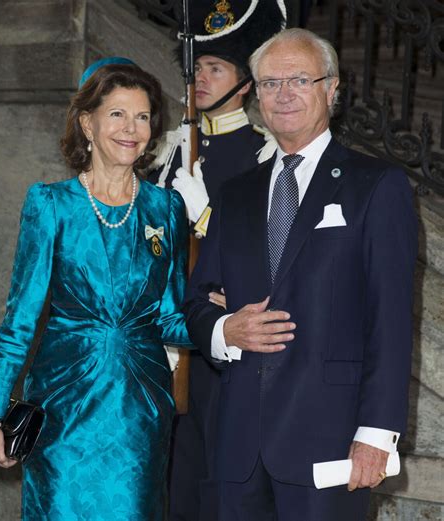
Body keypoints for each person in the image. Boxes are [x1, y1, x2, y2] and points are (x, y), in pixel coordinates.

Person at [184, 28, 418, 521]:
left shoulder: (377, 186)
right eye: (270, 83)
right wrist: (226, 329)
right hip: (237, 446)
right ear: (256, 96)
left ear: (331, 90)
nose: (283, 93)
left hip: (329, 445)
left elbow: (391, 321)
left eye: (299, 80)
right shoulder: (237, 193)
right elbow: (199, 299)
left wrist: (375, 435)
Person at [0, 58, 193, 520]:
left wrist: (223, 323)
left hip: (139, 412)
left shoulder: (167, 207)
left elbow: (171, 316)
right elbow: (20, 319)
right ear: (87, 123)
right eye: (116, 114)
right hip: (62, 409)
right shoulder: (50, 204)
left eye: (142, 116)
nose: (131, 129)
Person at [149, 2, 287, 520]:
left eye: (216, 68)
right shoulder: (168, 149)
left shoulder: (264, 152)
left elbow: (271, 249)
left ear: (245, 83)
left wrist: (204, 214)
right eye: (198, 67)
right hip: (166, 341)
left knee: (220, 486)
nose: (201, 79)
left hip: (226, 346)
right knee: (168, 482)